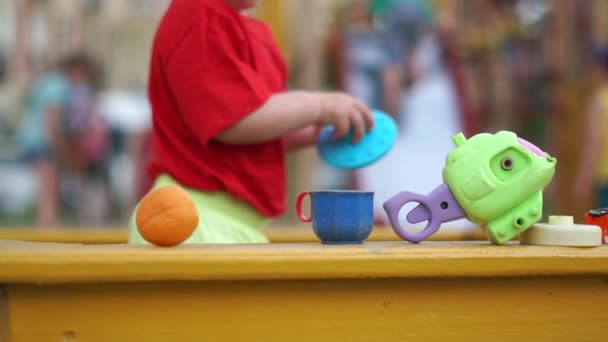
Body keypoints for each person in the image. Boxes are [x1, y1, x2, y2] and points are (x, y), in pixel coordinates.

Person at [128, 0, 374, 244]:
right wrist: (319, 106)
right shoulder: (201, 14)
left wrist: (311, 132)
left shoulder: (229, 22)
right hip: (193, 220)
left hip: (224, 222)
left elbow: (250, 125)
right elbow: (234, 120)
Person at [574, 44, 608, 208]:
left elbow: (594, 141)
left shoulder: (597, 101)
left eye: (590, 66)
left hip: (605, 176)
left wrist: (583, 179)